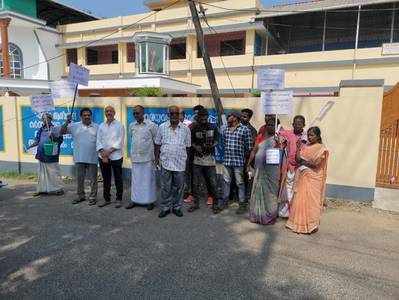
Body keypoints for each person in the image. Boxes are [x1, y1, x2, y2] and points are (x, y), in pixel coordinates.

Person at [286, 126, 329, 234]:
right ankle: (299, 223)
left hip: (313, 179)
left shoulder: (321, 148)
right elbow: (298, 159)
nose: (309, 137)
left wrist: (303, 163)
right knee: (300, 200)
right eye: (308, 135)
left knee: (312, 202)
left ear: (318, 136)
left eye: (312, 135)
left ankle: (311, 225)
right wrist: (298, 147)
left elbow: (316, 164)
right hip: (302, 177)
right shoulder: (305, 146)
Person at [155, 106, 191, 218]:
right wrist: (156, 159)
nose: (174, 116)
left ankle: (177, 207)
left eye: (176, 113)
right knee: (165, 187)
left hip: (180, 163)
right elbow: (157, 144)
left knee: (178, 187)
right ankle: (165, 208)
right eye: (172, 114)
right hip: (166, 162)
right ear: (168, 115)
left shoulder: (186, 129)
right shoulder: (162, 127)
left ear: (179, 115)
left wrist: (187, 162)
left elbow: (188, 147)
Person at [60, 108, 99, 205]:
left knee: (93, 179)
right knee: (80, 179)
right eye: (84, 115)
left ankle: (93, 197)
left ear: (91, 116)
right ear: (81, 116)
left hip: (92, 157)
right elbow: (62, 131)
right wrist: (66, 122)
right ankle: (80, 196)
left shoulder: (97, 127)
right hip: (79, 157)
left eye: (88, 115)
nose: (87, 117)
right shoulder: (74, 126)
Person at [247, 118, 281, 225]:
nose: (270, 127)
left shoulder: (279, 138)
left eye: (273, 125)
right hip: (259, 169)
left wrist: (279, 142)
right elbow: (254, 150)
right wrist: (248, 164)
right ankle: (257, 215)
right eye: (269, 125)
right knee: (257, 189)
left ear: (276, 126)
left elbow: (282, 153)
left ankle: (270, 215)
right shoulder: (260, 137)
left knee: (270, 192)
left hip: (271, 171)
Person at [126, 105, 158, 210]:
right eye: (134, 113)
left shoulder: (151, 125)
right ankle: (135, 200)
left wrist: (157, 158)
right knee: (136, 181)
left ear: (143, 113)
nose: (136, 115)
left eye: (138, 113)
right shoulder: (131, 126)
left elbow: (157, 142)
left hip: (148, 158)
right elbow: (132, 139)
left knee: (148, 180)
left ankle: (150, 201)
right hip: (135, 158)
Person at [188, 108, 219, 214]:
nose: (204, 120)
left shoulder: (213, 127)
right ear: (198, 118)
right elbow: (190, 141)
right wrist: (196, 147)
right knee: (195, 183)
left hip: (210, 160)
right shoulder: (194, 128)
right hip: (197, 159)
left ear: (207, 117)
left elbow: (217, 140)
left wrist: (212, 145)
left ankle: (216, 204)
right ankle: (195, 204)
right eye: (202, 118)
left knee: (213, 182)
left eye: (205, 118)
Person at [221, 112, 253, 214]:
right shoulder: (225, 129)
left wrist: (246, 161)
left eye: (229, 116)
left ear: (235, 118)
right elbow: (223, 143)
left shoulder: (244, 129)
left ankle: (242, 204)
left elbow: (249, 147)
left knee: (240, 183)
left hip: (238, 161)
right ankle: (225, 201)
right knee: (226, 181)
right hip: (227, 160)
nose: (228, 118)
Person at [28, 113, 64, 196]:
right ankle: (42, 189)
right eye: (43, 119)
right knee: (42, 173)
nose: (44, 120)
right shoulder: (41, 129)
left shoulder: (55, 129)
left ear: (50, 119)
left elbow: (60, 141)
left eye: (46, 118)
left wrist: (53, 137)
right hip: (41, 154)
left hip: (51, 155)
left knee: (53, 173)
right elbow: (37, 140)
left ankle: (58, 189)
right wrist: (31, 145)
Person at [96, 106, 125, 208]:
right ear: (105, 113)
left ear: (114, 112)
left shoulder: (119, 126)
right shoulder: (101, 126)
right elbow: (98, 140)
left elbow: (120, 142)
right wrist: (102, 153)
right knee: (106, 179)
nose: (109, 113)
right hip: (103, 156)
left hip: (116, 156)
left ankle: (119, 199)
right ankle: (106, 199)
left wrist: (108, 152)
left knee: (118, 179)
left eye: (110, 111)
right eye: (107, 111)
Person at [278, 115, 307, 217]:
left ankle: (298, 211)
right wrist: (280, 138)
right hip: (290, 167)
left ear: (304, 125)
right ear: (292, 124)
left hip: (301, 167)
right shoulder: (289, 133)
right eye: (295, 123)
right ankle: (288, 211)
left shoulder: (306, 136)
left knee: (298, 190)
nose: (297, 125)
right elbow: (278, 132)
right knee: (288, 189)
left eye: (300, 123)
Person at [183, 104, 205, 205]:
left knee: (205, 176)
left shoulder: (209, 126)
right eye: (195, 114)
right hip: (191, 155)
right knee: (191, 175)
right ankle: (191, 194)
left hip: (205, 156)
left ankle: (209, 196)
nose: (197, 116)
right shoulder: (191, 126)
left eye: (199, 113)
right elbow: (188, 141)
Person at [241, 108, 258, 203]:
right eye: (242, 116)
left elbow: (252, 146)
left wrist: (248, 159)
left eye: (245, 117)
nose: (242, 118)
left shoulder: (252, 130)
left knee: (248, 177)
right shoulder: (236, 127)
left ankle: (247, 196)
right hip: (237, 158)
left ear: (249, 118)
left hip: (247, 158)